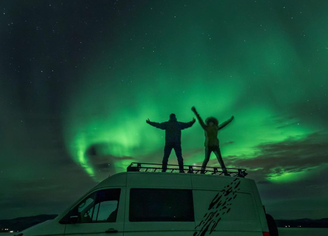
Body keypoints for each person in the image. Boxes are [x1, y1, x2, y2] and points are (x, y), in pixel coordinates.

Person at [191, 106, 234, 175]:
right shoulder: (206, 127)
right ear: (208, 123)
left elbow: (224, 124)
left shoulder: (216, 128)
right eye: (210, 122)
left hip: (215, 145)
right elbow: (200, 120)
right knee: (206, 159)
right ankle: (202, 171)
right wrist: (195, 112)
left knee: (220, 159)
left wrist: (230, 120)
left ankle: (225, 172)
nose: (211, 123)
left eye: (212, 122)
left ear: (214, 123)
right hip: (208, 145)